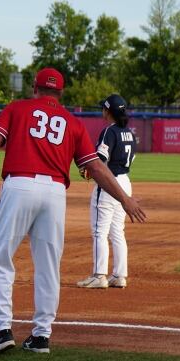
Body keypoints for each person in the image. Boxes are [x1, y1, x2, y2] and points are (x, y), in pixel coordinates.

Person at [0, 68, 146, 354]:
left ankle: (3, 331)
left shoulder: (17, 108)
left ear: (34, 88)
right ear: (61, 93)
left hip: (20, 185)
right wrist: (125, 199)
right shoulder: (73, 123)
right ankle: (41, 336)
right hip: (54, 193)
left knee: (1, 259)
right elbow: (96, 167)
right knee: (48, 266)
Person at [77, 94, 136, 289]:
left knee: (99, 231)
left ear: (107, 111)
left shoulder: (108, 132)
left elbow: (100, 161)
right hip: (125, 182)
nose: (102, 110)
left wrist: (88, 171)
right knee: (117, 231)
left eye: (104, 108)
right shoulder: (129, 132)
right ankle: (119, 275)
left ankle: (99, 275)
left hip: (109, 184)